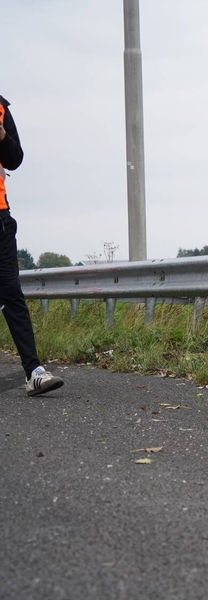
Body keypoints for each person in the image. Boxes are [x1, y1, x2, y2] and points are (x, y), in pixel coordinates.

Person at [0, 94, 63, 396]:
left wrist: (2, 136)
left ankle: (34, 372)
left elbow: (15, 159)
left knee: (11, 292)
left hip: (0, 216)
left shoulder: (1, 107)